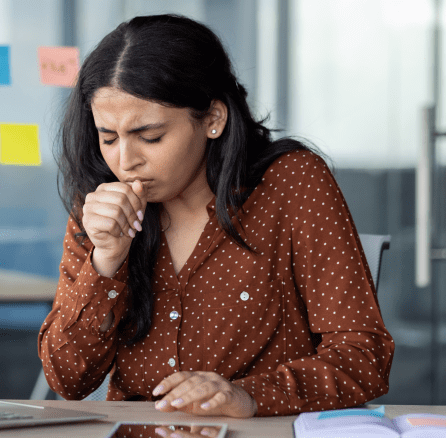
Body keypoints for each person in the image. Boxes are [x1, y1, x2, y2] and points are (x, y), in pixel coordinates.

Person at [38, 14, 394, 418]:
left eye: (150, 137)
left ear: (212, 120)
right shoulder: (100, 202)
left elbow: (364, 355)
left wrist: (249, 395)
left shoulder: (292, 183)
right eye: (108, 137)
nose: (125, 161)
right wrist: (105, 260)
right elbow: (68, 380)